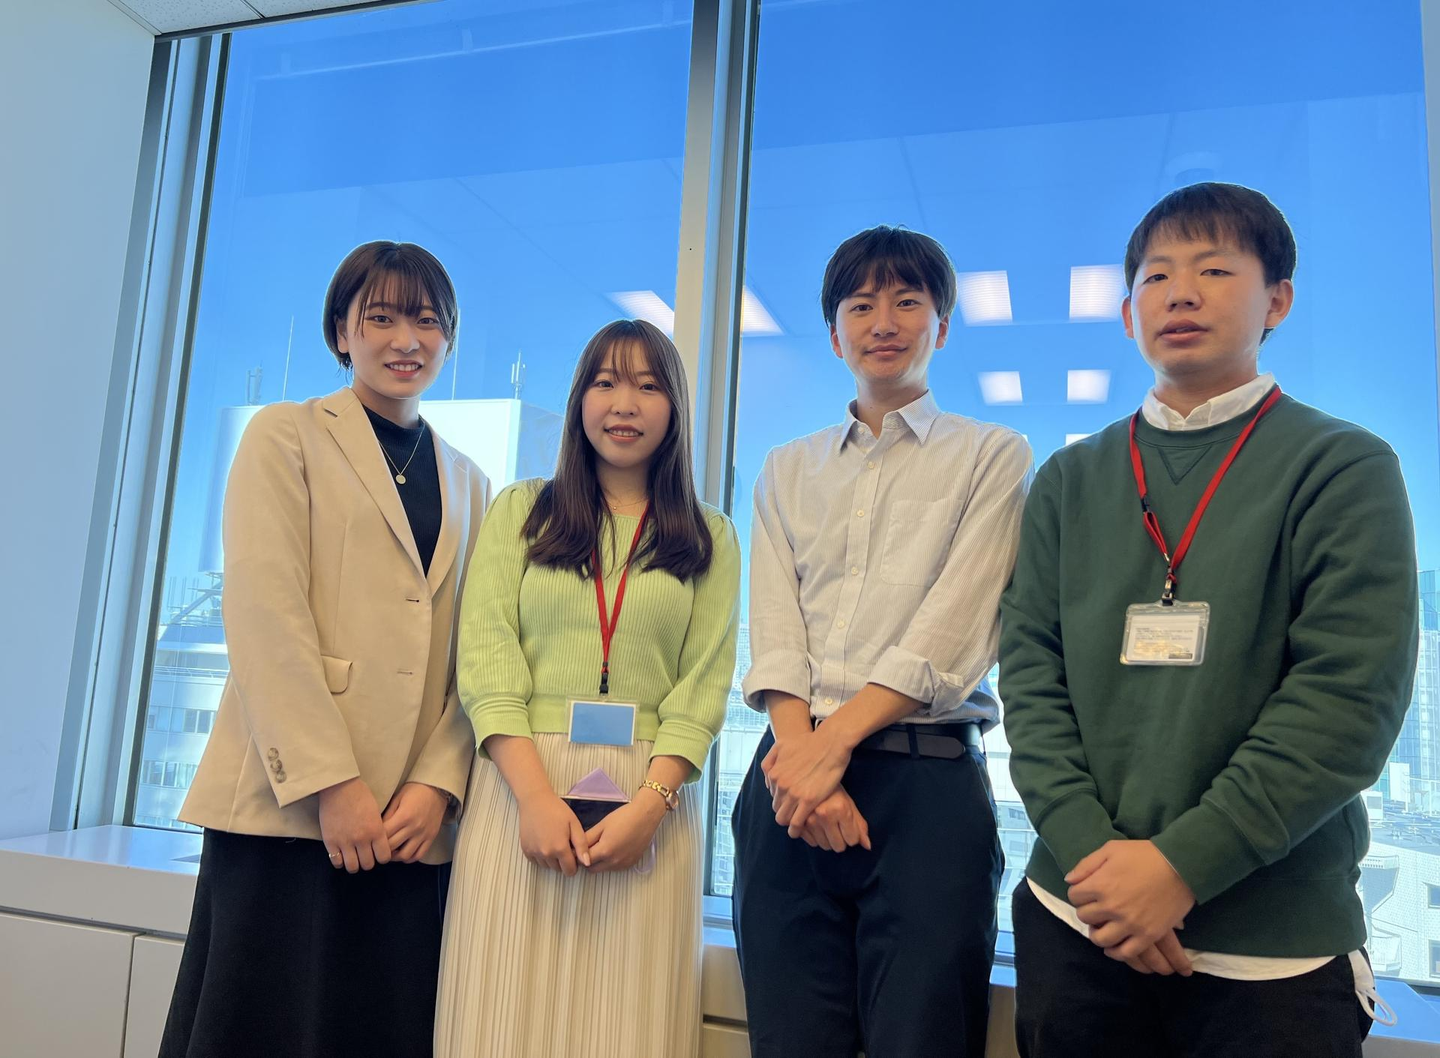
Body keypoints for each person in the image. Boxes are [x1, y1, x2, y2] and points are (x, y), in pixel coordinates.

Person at [1000, 182, 1417, 1058]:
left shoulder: (1342, 466)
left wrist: (1180, 869)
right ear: (1128, 315)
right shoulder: (1070, 481)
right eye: (1156, 277)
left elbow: (1347, 705)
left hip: (1271, 947)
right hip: (1076, 919)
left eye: (1215, 270)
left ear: (1278, 300)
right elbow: (1030, 678)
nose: (1180, 293)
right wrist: (1101, 872)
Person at [160, 241, 491, 1057]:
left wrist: (439, 784)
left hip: (408, 826)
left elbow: (479, 656)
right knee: (260, 1027)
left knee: (378, 1029)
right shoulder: (286, 436)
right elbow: (265, 617)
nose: (406, 339)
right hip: (288, 809)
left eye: (427, 321)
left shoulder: (471, 480)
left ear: (449, 338)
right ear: (342, 332)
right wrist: (330, 784)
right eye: (381, 318)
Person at [731, 225, 1033, 1058]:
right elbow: (777, 629)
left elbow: (956, 630)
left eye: (907, 301)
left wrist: (829, 748)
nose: (884, 321)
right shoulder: (787, 467)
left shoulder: (993, 455)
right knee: (790, 1041)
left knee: (922, 1038)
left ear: (942, 325)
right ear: (835, 334)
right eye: (860, 305)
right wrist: (805, 758)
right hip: (787, 784)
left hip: (924, 785)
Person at [433, 318, 740, 1058]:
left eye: (647, 385)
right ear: (579, 402)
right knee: (499, 1016)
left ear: (674, 407)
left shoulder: (711, 536)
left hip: (649, 801)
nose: (623, 404)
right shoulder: (522, 510)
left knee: (625, 1024)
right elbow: (486, 659)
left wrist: (650, 807)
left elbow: (703, 690)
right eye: (605, 383)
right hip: (519, 787)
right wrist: (536, 800)